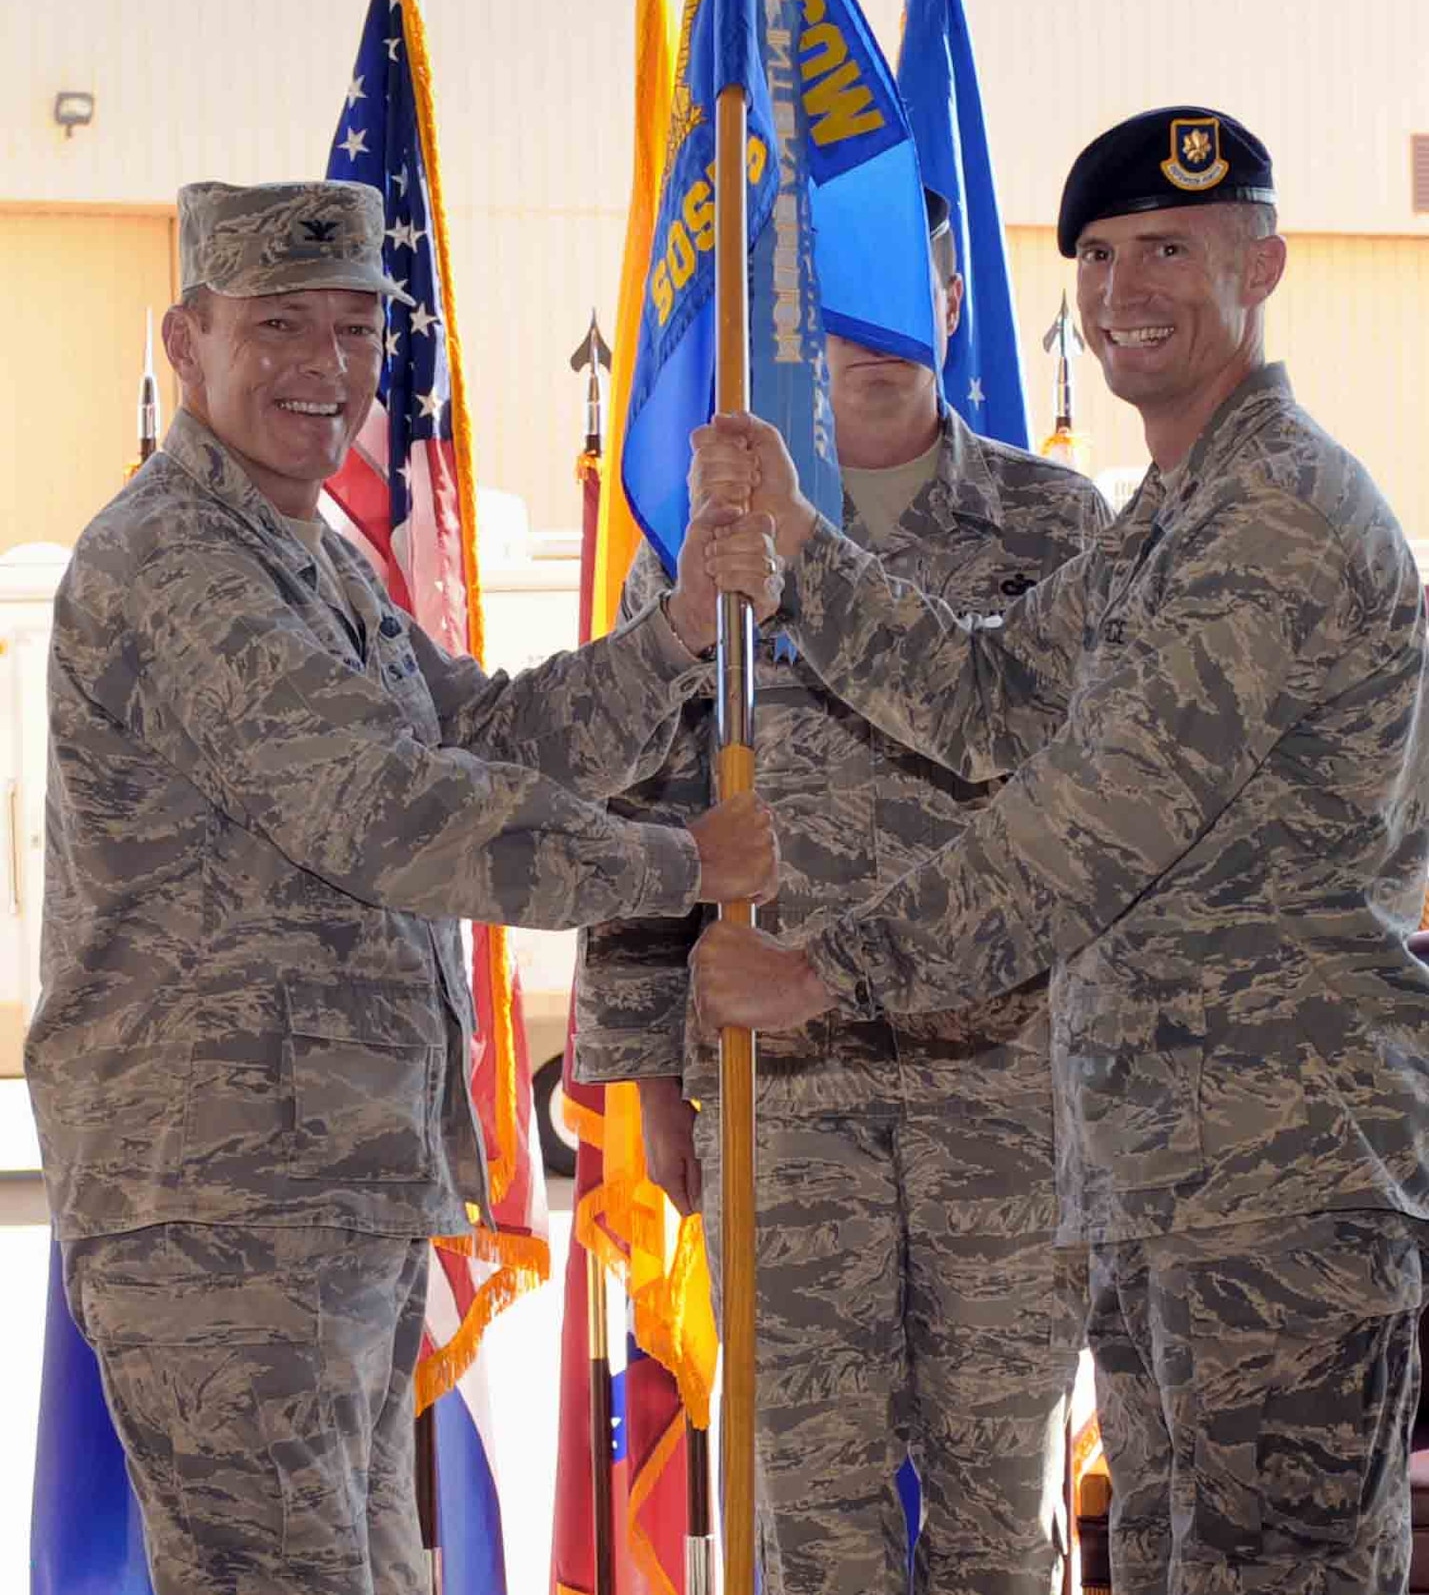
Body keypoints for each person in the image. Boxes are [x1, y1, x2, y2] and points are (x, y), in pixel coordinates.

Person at [692, 107, 1429, 1595]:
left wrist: (825, 969)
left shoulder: (1273, 510)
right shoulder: (1169, 514)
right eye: (1095, 254)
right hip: (1166, 1172)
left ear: (1262, 265)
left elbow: (1084, 828)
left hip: (1275, 1178)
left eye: (1170, 248)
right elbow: (989, 696)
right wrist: (796, 545)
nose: (1122, 288)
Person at [25, 177, 782, 1595]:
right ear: (188, 343)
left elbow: (479, 732)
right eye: (280, 326)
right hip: (223, 1208)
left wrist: (673, 639)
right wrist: (676, 866)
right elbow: (384, 808)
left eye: (359, 327)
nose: (328, 368)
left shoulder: (316, 553)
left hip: (327, 1190)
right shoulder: (173, 566)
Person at [575, 193, 1108, 1595]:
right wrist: (643, 1088)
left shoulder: (1056, 525)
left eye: (898, 289)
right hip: (780, 1094)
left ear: (947, 294)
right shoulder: (704, 540)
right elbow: (637, 807)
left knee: (1000, 1508)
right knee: (809, 1512)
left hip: (1005, 1084)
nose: (869, 338)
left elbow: (1102, 812)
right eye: (832, 304)